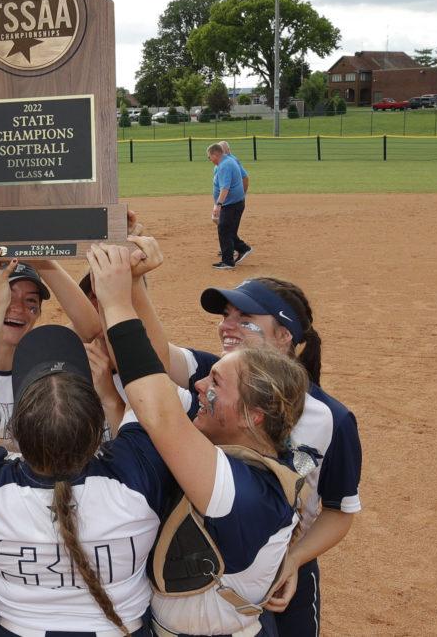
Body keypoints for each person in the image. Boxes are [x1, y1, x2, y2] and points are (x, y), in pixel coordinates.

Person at [0, 242, 170, 636]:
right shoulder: (136, 484)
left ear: (18, 434)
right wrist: (127, 292)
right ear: (96, 432)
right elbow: (154, 379)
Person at [87, 244, 310, 637]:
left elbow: (156, 408)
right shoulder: (235, 439)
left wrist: (118, 301)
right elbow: (149, 381)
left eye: (216, 382)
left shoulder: (246, 492)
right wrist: (130, 287)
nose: (200, 385)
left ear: (252, 415)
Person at [183, 277, 363, 636]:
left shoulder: (331, 418)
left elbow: (339, 511)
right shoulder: (213, 376)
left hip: (283, 564)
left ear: (285, 337)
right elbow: (146, 353)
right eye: (226, 315)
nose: (227, 327)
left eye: (246, 318)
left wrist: (293, 561)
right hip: (205, 555)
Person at [208, 142, 250, 269]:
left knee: (224, 229)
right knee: (227, 229)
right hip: (234, 203)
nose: (209, 160)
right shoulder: (228, 161)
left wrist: (218, 205)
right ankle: (243, 248)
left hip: (231, 204)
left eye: (209, 157)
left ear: (215, 155)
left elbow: (225, 188)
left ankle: (228, 261)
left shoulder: (225, 165)